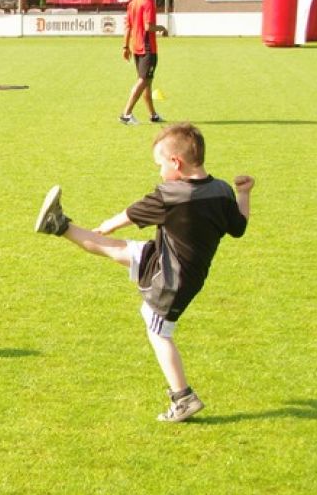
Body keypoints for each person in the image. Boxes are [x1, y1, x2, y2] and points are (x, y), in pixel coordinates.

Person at [33, 123, 253, 422]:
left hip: (172, 279)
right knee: (116, 250)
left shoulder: (173, 194)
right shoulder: (222, 190)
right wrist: (243, 193)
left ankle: (183, 398)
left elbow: (132, 213)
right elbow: (239, 227)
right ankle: (58, 225)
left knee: (158, 332)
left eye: (160, 165)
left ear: (176, 162)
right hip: (170, 261)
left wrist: (108, 224)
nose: (159, 171)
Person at [119, 0, 168, 125]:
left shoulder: (133, 3)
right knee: (143, 81)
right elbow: (148, 27)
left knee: (147, 81)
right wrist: (162, 28)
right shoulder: (148, 2)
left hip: (136, 47)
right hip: (148, 48)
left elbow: (128, 26)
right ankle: (126, 114)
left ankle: (153, 115)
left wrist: (125, 47)